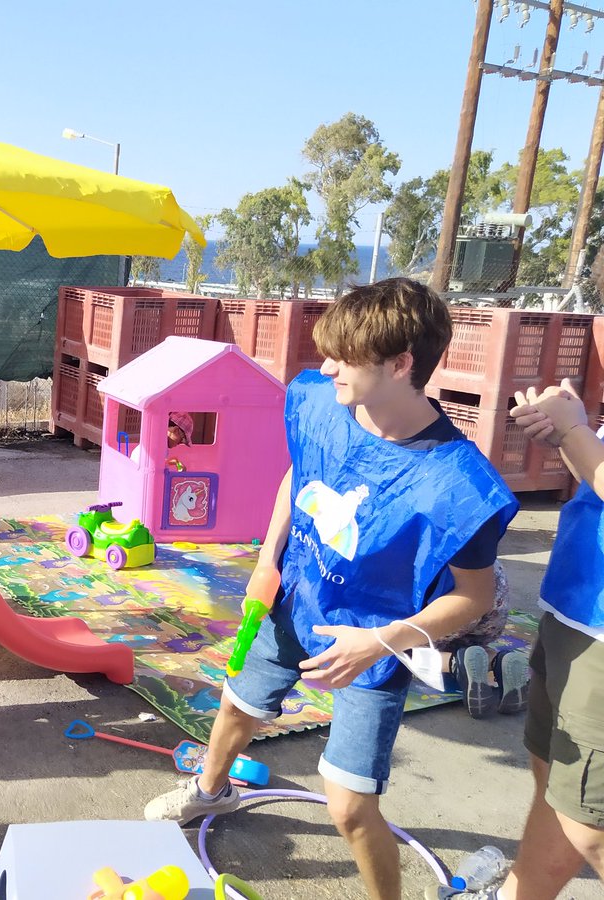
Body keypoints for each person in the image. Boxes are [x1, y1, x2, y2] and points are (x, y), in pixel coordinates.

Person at [143, 278, 518, 900]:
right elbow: (302, 470)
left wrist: (379, 643)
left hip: (375, 638)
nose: (325, 367)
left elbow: (475, 597)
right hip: (294, 598)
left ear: (401, 365)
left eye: (344, 358)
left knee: (347, 806)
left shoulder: (459, 485)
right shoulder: (321, 401)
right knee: (238, 706)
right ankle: (211, 791)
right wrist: (268, 560)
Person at [433, 380, 604, 899]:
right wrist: (568, 437)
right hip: (574, 610)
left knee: (590, 825)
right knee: (555, 785)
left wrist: (574, 428)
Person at [437, 561, 530, 719]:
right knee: (470, 646)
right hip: (492, 608)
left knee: (398, 648)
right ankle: (499, 660)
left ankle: (454, 664)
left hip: (450, 606)